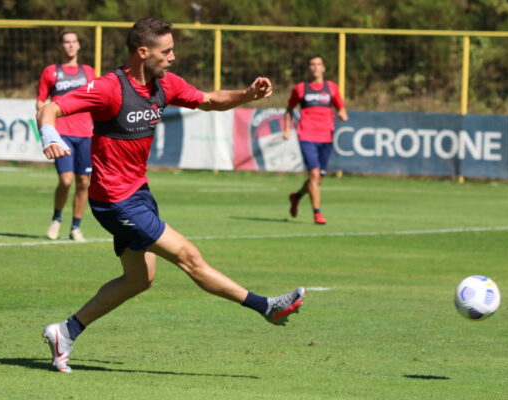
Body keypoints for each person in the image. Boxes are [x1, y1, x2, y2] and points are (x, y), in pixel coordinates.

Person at [37, 17, 305, 373]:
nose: (172, 57)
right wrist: (50, 135)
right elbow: (51, 108)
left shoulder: (166, 84)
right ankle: (265, 306)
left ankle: (65, 331)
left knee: (139, 279)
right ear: (142, 52)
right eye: (166, 51)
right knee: (188, 256)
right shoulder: (109, 88)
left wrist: (247, 95)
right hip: (115, 201)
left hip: (138, 193)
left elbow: (209, 100)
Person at [36, 29, 96, 242]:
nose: (70, 45)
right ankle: (57, 218)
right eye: (66, 42)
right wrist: (46, 127)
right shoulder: (51, 72)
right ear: (60, 46)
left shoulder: (89, 72)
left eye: (74, 42)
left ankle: (76, 227)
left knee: (83, 182)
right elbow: (41, 102)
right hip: (62, 133)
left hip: (86, 133)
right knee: (66, 179)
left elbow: (97, 99)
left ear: (79, 45)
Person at [283, 55, 348, 224]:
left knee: (318, 179)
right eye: (312, 64)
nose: (315, 67)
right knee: (313, 174)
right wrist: (287, 129)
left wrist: (342, 113)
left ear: (323, 68)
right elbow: (289, 109)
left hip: (326, 136)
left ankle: (296, 197)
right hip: (307, 135)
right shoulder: (300, 88)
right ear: (308, 68)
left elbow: (340, 105)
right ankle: (317, 213)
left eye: (318, 64)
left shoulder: (331, 88)